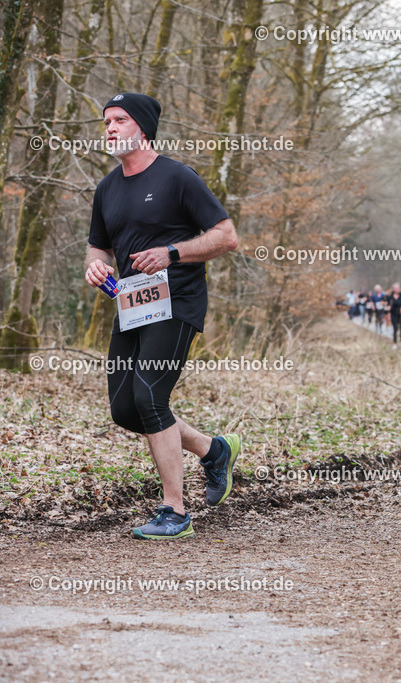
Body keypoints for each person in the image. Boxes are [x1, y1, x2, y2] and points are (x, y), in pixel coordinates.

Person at [85, 92, 240, 539]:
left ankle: (176, 510)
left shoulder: (177, 177)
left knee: (150, 398)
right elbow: (99, 244)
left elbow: (226, 237)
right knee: (124, 408)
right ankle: (213, 451)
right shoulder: (107, 188)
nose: (110, 128)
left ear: (144, 128)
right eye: (106, 121)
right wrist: (96, 266)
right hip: (131, 306)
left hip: (176, 304)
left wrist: (172, 252)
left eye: (119, 120)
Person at [387, 282, 401, 347]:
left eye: (398, 288)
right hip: (393, 313)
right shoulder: (390, 297)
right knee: (395, 327)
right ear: (393, 289)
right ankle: (394, 342)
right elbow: (388, 304)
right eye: (396, 288)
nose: (397, 289)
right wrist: (388, 307)